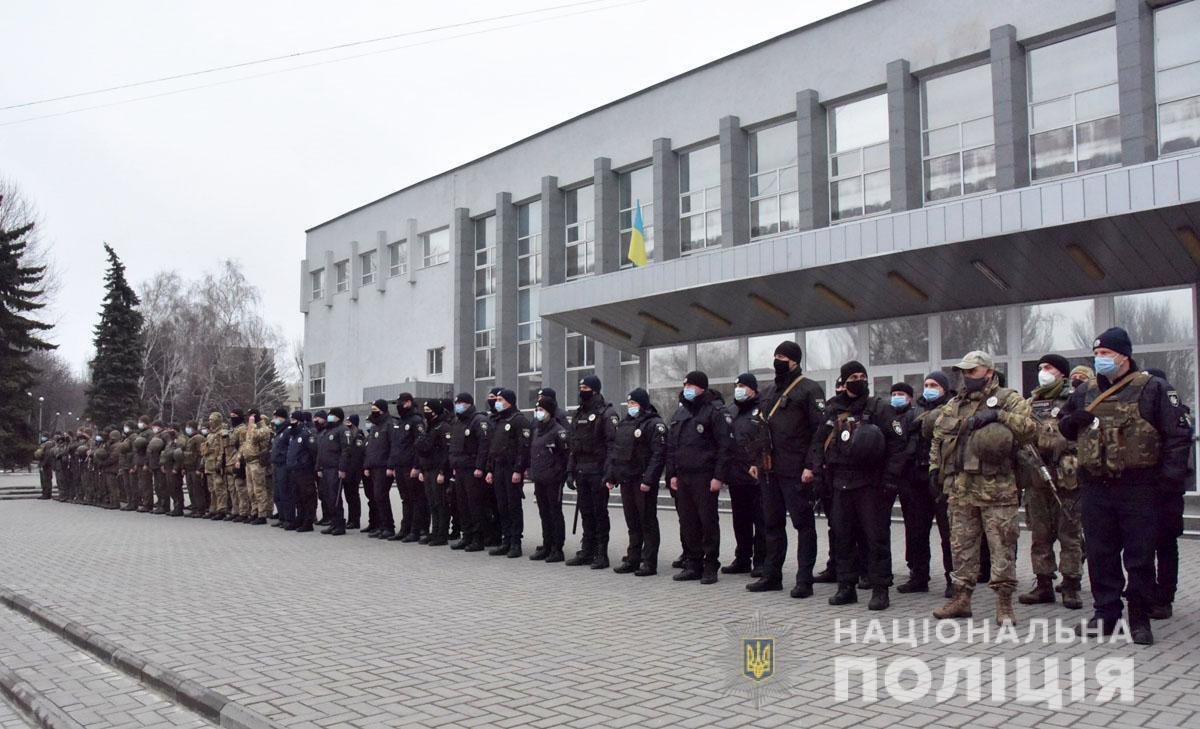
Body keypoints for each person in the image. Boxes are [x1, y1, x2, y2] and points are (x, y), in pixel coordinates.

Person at [1059, 328, 1192, 645]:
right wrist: (1072, 421)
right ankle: (1106, 615)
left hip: (1139, 487)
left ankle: (1140, 617)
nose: (1099, 359)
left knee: (1140, 555)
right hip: (1095, 487)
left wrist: (1168, 481)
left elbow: (1177, 435)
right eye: (1097, 354)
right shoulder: (1086, 391)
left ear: (1124, 355)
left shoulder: (1153, 388)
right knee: (1101, 553)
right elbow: (1064, 425)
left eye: (1105, 354)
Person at [930, 351, 1035, 626]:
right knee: (961, 547)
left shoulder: (1009, 399)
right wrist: (934, 469)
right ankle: (961, 599)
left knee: (1002, 546)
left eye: (972, 371)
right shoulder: (955, 403)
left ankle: (1004, 604)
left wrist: (998, 416)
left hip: (997, 491)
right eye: (963, 372)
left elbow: (1029, 429)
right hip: (961, 489)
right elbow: (938, 438)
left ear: (989, 372)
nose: (966, 376)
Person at [812, 362, 904, 610]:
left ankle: (880, 588)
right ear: (844, 380)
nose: (860, 380)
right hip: (840, 484)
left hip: (870, 484)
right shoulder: (832, 410)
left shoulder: (879, 408)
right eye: (854, 376)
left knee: (876, 539)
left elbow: (897, 446)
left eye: (863, 376)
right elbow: (818, 445)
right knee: (842, 537)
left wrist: (890, 479)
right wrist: (819, 478)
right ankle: (846, 587)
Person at [748, 341, 827, 598]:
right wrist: (756, 462)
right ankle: (772, 575)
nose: (777, 360)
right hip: (770, 469)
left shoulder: (809, 389)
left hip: (796, 470)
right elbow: (761, 428)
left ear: (794, 360)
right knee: (771, 524)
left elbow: (820, 432)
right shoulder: (770, 391)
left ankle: (804, 580)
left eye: (782, 356)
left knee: (803, 526)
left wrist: (810, 466)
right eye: (776, 355)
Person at [1017, 354, 1083, 610]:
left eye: (1049, 367)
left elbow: (1081, 433)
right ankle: (1043, 583)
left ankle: (1071, 586)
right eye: (1041, 368)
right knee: (1040, 535)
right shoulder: (1030, 402)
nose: (1043, 372)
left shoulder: (1073, 399)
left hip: (1067, 478)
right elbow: (1021, 435)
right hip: (1037, 477)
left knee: (1070, 535)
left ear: (1062, 373)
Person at [665, 370, 732, 585]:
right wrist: (672, 474)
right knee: (688, 522)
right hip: (683, 476)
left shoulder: (713, 412)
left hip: (705, 476)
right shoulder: (681, 413)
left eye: (691, 386)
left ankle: (710, 565)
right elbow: (672, 447)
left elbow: (724, 447)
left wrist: (718, 477)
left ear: (701, 388)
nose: (687, 390)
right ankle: (693, 564)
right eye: (685, 386)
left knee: (707, 521)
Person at [896, 373, 955, 598]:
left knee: (948, 532)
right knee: (916, 531)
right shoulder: (915, 411)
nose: (929, 389)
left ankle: (953, 579)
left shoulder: (952, 409)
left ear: (944, 388)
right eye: (927, 385)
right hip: (916, 479)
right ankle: (918, 576)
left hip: (941, 479)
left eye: (935, 385)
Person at [1144, 367, 1194, 621]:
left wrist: (1166, 481)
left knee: (1164, 543)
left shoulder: (1175, 412)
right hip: (1143, 489)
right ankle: (1146, 591)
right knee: (1142, 545)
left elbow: (1179, 452)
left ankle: (1164, 597)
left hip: (1167, 491)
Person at [606, 388, 666, 576]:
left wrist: (648, 479)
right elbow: (617, 452)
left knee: (647, 522)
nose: (630, 407)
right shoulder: (625, 423)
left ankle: (649, 562)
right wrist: (612, 476)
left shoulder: (654, 424)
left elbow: (658, 455)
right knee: (632, 522)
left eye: (634, 404)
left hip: (643, 481)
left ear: (643, 404)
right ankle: (633, 558)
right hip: (627, 479)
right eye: (629, 403)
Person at [566, 376, 619, 569]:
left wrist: (608, 473)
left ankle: (601, 553)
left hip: (598, 471)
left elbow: (612, 446)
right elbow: (573, 445)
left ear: (595, 390)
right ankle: (587, 550)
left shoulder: (606, 413)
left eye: (585, 387)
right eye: (580, 387)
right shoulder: (579, 413)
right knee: (586, 512)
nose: (582, 390)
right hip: (581, 470)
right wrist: (570, 471)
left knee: (599, 512)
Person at [723, 373, 767, 577]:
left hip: (757, 476)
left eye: (743, 385)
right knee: (740, 521)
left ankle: (761, 561)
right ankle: (742, 558)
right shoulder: (731, 411)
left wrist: (758, 464)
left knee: (761, 521)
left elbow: (765, 440)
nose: (739, 389)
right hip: (735, 475)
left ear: (753, 389)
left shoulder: (762, 409)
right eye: (737, 385)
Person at [484, 389, 531, 558]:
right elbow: (493, 448)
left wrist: (519, 469)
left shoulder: (519, 420)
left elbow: (523, 447)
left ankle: (515, 543)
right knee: (502, 506)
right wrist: (489, 469)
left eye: (500, 399)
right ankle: (506, 540)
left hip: (512, 469)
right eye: (496, 399)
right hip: (498, 468)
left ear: (509, 401)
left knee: (513, 506)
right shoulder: (498, 420)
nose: (497, 402)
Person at [448, 393, 492, 552]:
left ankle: (478, 538)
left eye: (460, 403)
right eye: (456, 402)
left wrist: (480, 467)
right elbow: (453, 446)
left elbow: (484, 446)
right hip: (459, 469)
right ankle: (466, 536)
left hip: (472, 470)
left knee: (475, 505)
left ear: (468, 404)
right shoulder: (458, 421)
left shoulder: (478, 420)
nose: (457, 405)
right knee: (462, 505)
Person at [529, 395, 570, 564]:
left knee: (554, 513)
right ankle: (546, 545)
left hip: (553, 479)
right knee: (544, 513)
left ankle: (557, 548)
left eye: (542, 410)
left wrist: (558, 473)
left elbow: (565, 456)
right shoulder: (538, 430)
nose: (539, 413)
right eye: (537, 410)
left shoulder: (559, 431)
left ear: (550, 412)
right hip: (539, 478)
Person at [391, 394, 427, 542]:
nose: (398, 405)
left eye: (401, 403)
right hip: (400, 466)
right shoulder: (400, 422)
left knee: (416, 499)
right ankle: (405, 528)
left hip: (410, 466)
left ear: (408, 403)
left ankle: (415, 530)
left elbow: (419, 445)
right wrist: (393, 465)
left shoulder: (416, 421)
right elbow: (397, 445)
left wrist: (416, 466)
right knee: (405, 499)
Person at [415, 399, 452, 546]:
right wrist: (422, 469)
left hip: (438, 470)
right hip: (428, 469)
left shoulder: (443, 427)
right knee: (432, 503)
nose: (426, 413)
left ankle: (441, 534)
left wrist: (443, 472)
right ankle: (434, 531)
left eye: (428, 410)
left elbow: (446, 452)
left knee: (440, 503)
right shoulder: (429, 427)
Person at [363, 399, 397, 539]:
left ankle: (388, 527)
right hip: (374, 466)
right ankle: (380, 526)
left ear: (382, 409)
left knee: (381, 496)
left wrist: (390, 465)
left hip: (384, 467)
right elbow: (370, 448)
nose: (373, 411)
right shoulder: (376, 425)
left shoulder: (390, 424)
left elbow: (394, 447)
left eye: (375, 408)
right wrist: (367, 465)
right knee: (376, 497)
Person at [315, 407, 348, 536]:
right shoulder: (327, 431)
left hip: (335, 469)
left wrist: (342, 468)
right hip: (326, 469)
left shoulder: (342, 430)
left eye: (331, 415)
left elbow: (345, 451)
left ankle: (340, 524)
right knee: (328, 497)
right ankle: (333, 523)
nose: (329, 417)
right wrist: (318, 467)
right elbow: (321, 452)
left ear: (338, 417)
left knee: (335, 497)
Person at [269, 408, 293, 528]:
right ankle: (282, 517)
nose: (274, 420)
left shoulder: (288, 430)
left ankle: (289, 518)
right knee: (277, 494)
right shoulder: (278, 431)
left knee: (285, 493)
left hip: (284, 465)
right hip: (276, 465)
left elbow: (289, 448)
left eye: (276, 417)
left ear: (282, 417)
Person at [203, 412, 229, 520]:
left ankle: (221, 509)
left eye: (212, 420)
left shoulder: (222, 433)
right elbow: (205, 450)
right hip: (208, 464)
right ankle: (213, 508)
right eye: (209, 420)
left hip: (216, 464)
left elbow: (222, 450)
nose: (210, 422)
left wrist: (219, 463)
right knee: (211, 489)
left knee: (219, 488)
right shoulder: (210, 434)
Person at [182, 421, 208, 517]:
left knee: (197, 490)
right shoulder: (190, 438)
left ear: (193, 427)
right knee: (191, 489)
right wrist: (184, 467)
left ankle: (200, 509)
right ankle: (194, 508)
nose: (187, 429)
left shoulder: (199, 438)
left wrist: (200, 468)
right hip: (189, 468)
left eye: (188, 427)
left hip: (195, 468)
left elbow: (201, 454)